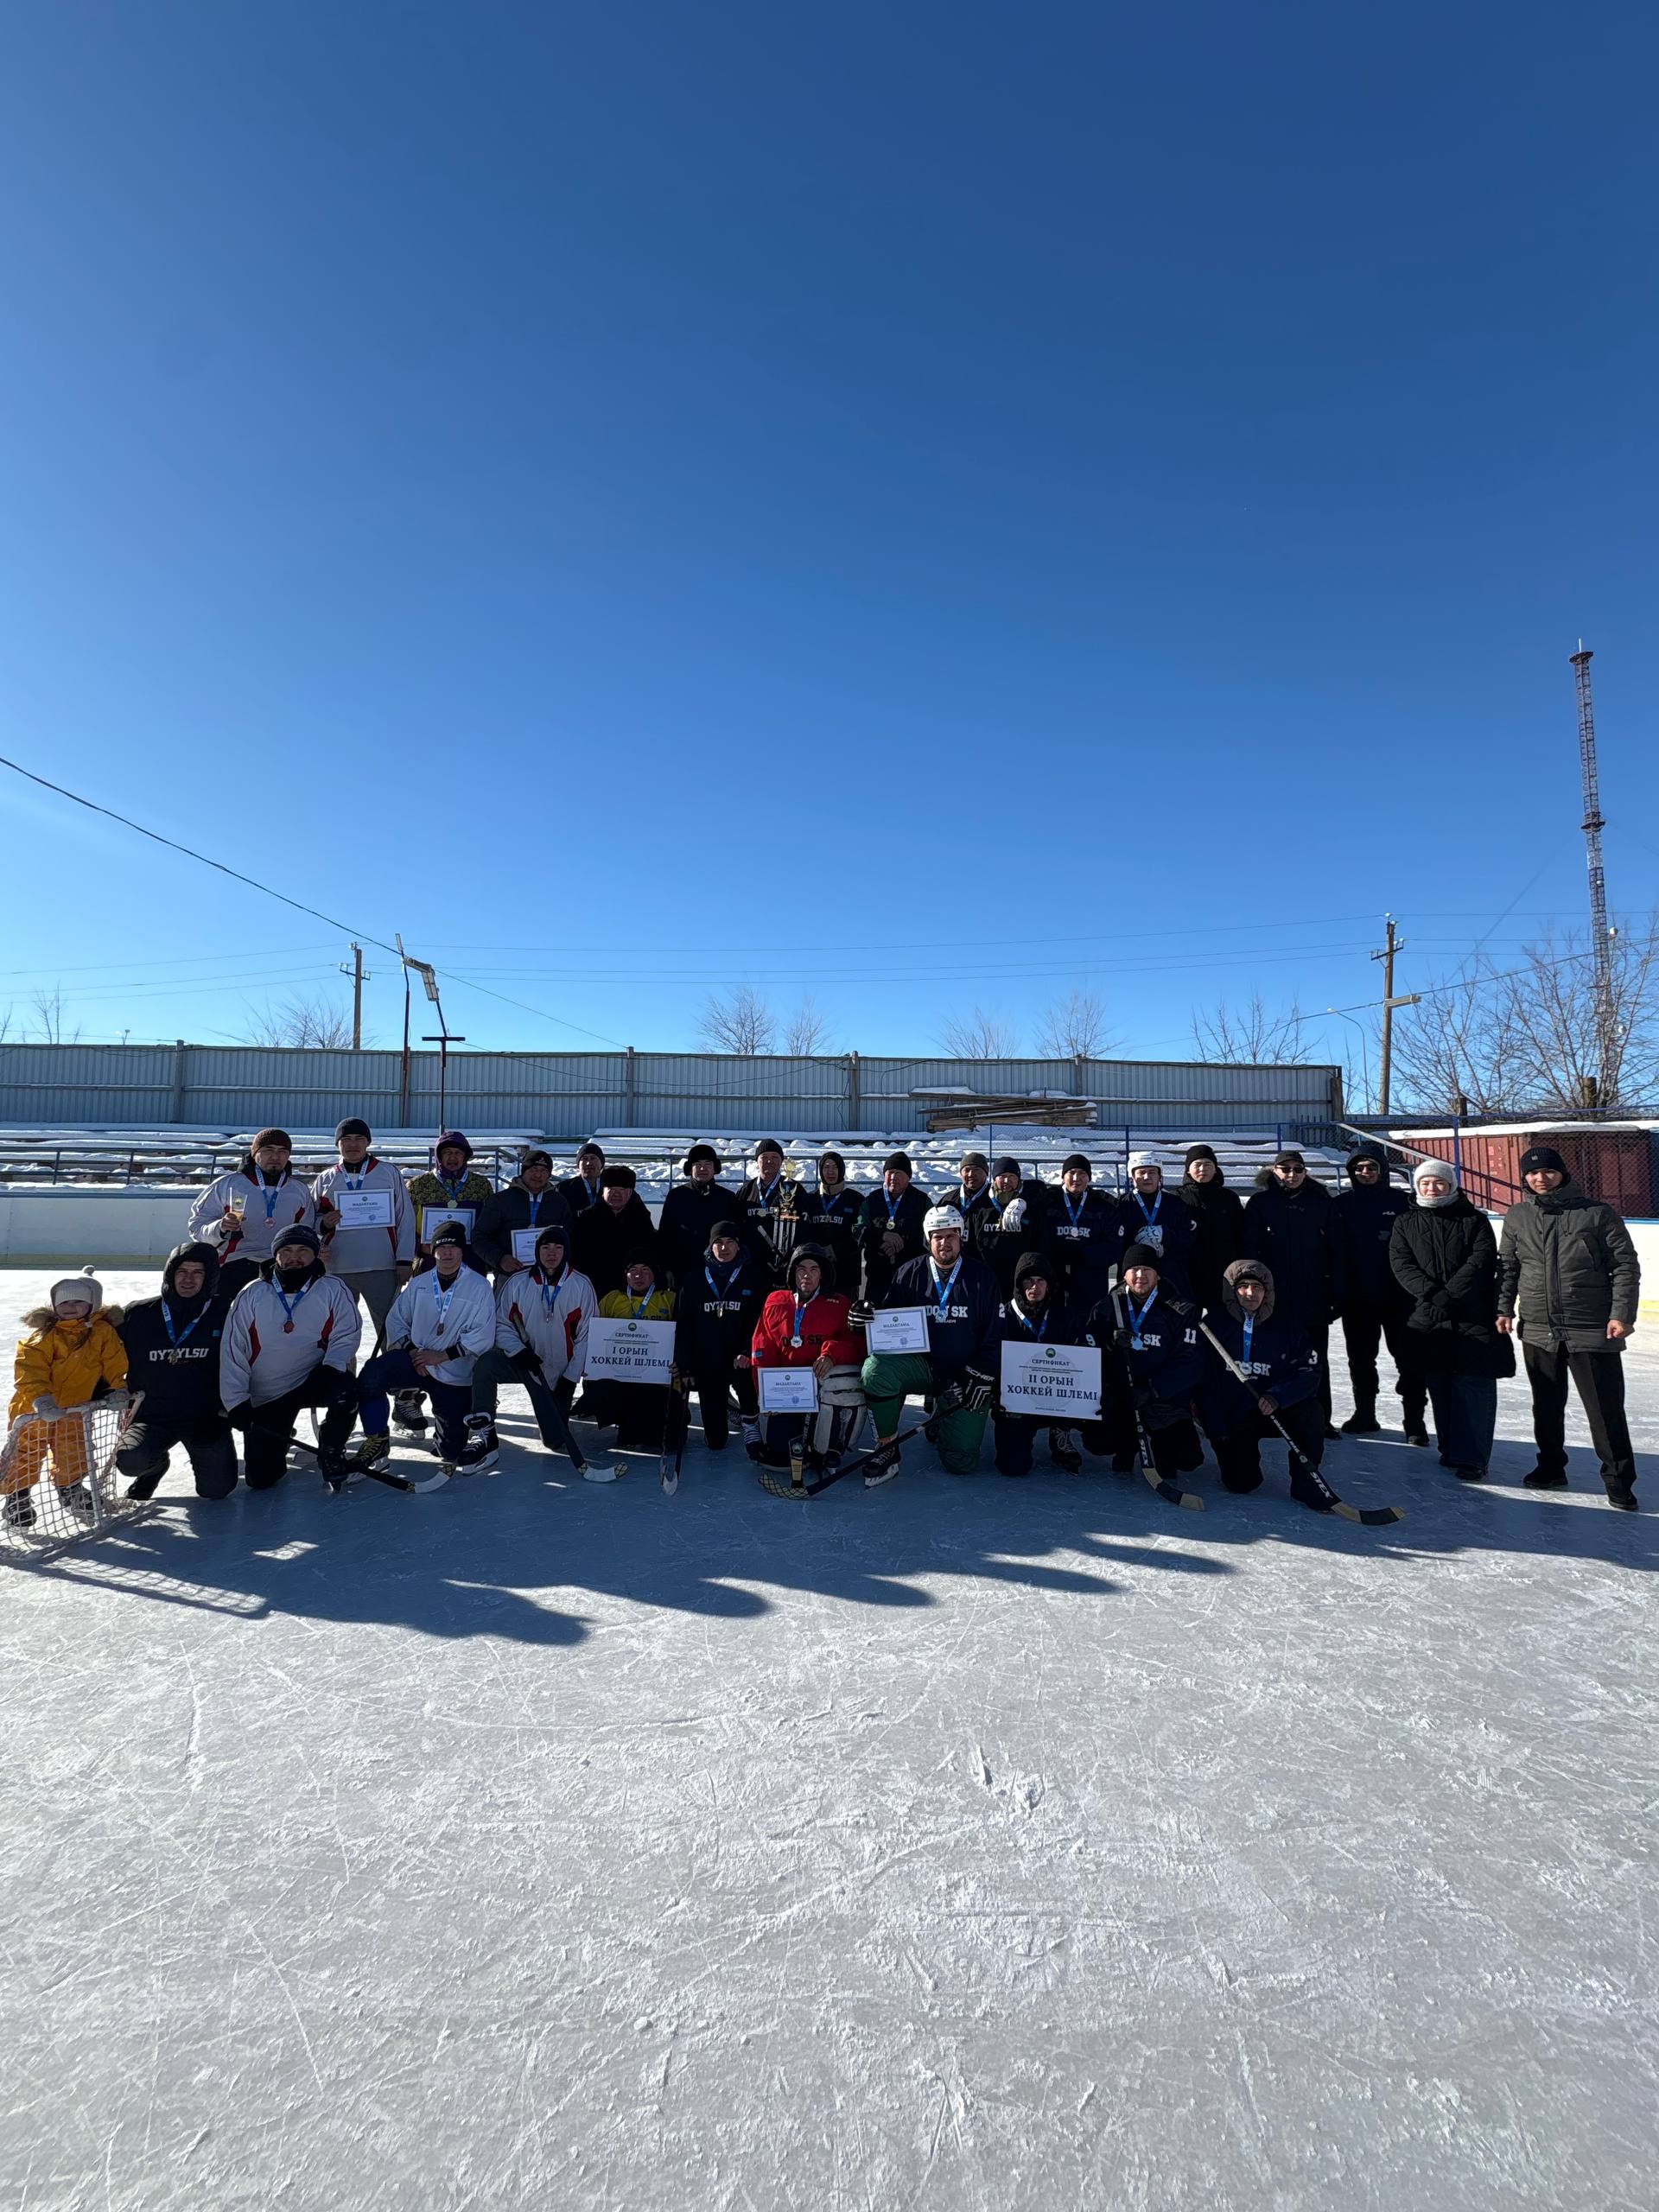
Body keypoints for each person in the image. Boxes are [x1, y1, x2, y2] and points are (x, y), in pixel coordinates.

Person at [1497, 1143, 1641, 1509]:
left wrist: (1621, 1314)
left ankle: (1618, 1480)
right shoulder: (1517, 1215)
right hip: (1538, 1326)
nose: (1540, 1178)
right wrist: (1504, 1309)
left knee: (1604, 1409)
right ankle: (1550, 1467)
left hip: (1590, 1326)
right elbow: (1509, 1269)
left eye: (1547, 1171)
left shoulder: (1596, 1213)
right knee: (1545, 1405)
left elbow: (1625, 1266)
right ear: (1524, 1178)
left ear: (1562, 1173)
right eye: (1532, 1173)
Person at [1389, 1160, 1514, 1483]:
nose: (1433, 1188)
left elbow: (1481, 1260)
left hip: (1473, 1314)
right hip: (1429, 1317)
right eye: (1426, 1183)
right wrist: (1431, 1294)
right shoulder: (1405, 1221)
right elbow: (1401, 1263)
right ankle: (1450, 1449)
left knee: (1473, 1387)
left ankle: (1473, 1457)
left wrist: (1449, 1295)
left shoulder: (1475, 1220)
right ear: (1417, 1187)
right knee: (1440, 1385)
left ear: (1451, 1185)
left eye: (1439, 1183)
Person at [860, 1204, 999, 1481]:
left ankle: (945, 1414)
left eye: (951, 1236)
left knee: (960, 1463)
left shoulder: (982, 1277)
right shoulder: (909, 1272)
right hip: (922, 1367)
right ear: (928, 1239)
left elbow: (994, 1336)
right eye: (938, 1236)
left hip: (962, 1376)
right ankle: (887, 1445)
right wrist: (864, 1316)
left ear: (961, 1237)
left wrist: (977, 1375)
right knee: (876, 1369)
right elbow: (888, 1324)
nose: (944, 1243)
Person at [219, 1224, 361, 1488]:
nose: (295, 1256)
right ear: (276, 1255)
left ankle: (331, 1452)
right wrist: (236, 1402)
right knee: (261, 1480)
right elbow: (233, 1351)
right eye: (287, 1250)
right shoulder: (252, 1293)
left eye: (303, 1250)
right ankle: (280, 1437)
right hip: (268, 1394)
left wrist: (331, 1368)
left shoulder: (333, 1288)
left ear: (315, 1254)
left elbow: (347, 1333)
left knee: (347, 1390)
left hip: (313, 1381)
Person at [354, 1221, 499, 1474]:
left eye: (453, 1247)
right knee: (371, 1374)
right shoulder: (420, 1284)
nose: (447, 1253)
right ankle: (377, 1439)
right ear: (433, 1252)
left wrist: (440, 1356)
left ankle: (462, 1434)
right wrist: (413, 1353)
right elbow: (396, 1321)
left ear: (461, 1250)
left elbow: (483, 1336)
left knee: (450, 1451)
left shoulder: (479, 1286)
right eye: (441, 1248)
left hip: (455, 1372)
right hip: (417, 1362)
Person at [470, 1221, 607, 1474]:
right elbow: (501, 1324)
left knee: (555, 1441)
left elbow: (588, 1336)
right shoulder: (518, 1282)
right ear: (537, 1251)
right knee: (486, 1364)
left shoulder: (581, 1285)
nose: (551, 1253)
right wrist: (518, 1351)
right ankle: (483, 1428)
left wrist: (570, 1378)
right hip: (526, 1364)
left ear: (566, 1251)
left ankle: (556, 1408)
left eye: (557, 1247)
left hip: (559, 1372)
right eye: (545, 1247)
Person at [4, 1268, 130, 1529]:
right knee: (26, 1452)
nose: (70, 1307)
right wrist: (41, 1399)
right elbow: (29, 1367)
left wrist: (119, 1387)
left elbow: (114, 1360)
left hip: (73, 1408)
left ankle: (70, 1490)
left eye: (78, 1301)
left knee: (73, 1450)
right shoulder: (46, 1335)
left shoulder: (102, 1333)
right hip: (35, 1407)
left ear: (92, 1304)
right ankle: (18, 1498)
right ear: (54, 1306)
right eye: (64, 1302)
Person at [1195, 1258, 1327, 1504]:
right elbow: (1204, 1384)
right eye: (1243, 1286)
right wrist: (1217, 1431)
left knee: (1312, 1411)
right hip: (1235, 1414)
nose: (1250, 1293)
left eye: (1257, 1287)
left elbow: (1309, 1371)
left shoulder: (1287, 1326)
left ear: (1268, 1291)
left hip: (1273, 1408)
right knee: (1242, 1483)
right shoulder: (1213, 1326)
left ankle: (1306, 1483)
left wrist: (1279, 1395)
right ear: (1232, 1290)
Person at [115, 1242, 238, 1500]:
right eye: (182, 1271)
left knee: (217, 1491)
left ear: (210, 1277)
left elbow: (248, 1358)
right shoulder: (137, 1314)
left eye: (198, 1272)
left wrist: (238, 1403)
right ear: (170, 1273)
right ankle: (154, 1467)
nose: (189, 1279)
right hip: (152, 1416)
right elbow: (103, 1355)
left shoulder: (226, 1313)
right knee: (131, 1460)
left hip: (205, 1417)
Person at [1080, 1243, 1205, 1480]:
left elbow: (1190, 1363)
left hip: (1163, 1400)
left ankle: (1163, 1453)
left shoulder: (1179, 1309)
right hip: (1122, 1398)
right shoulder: (1108, 1307)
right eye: (1134, 1269)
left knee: (1187, 1457)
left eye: (1147, 1269)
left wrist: (1154, 1389)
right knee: (1098, 1440)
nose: (1140, 1276)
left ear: (1157, 1273)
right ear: (1124, 1273)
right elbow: (1088, 1348)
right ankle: (1126, 1446)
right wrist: (1109, 1342)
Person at [1242, 1147, 1344, 1436]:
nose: (1291, 1175)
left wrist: (1336, 1292)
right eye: (1285, 1169)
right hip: (1272, 1297)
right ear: (1274, 1172)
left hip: (1312, 1296)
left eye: (1297, 1169)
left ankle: (1319, 1418)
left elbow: (1337, 1251)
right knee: (1272, 1355)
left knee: (1314, 1357)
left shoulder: (1322, 1203)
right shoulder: (1260, 1203)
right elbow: (1250, 1250)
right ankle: (1270, 1414)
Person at [750, 1243, 866, 1478]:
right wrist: (766, 1393)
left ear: (822, 1274)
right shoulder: (775, 1301)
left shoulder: (839, 1304)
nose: (807, 1275)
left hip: (822, 1388)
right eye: (801, 1269)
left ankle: (831, 1445)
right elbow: (762, 1348)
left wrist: (831, 1354)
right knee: (781, 1456)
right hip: (788, 1391)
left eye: (814, 1269)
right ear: (792, 1273)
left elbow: (856, 1344)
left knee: (841, 1383)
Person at [1332, 1142, 1423, 1441]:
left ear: (1383, 1170)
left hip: (1400, 1299)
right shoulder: (1342, 1205)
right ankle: (1365, 1414)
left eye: (1371, 1167)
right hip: (1358, 1299)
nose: (1365, 1172)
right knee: (1360, 1360)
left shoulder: (1403, 1202)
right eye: (1359, 1168)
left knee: (1408, 1360)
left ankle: (1414, 1421)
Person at [313, 1118, 415, 1345]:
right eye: (346, 1139)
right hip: (338, 1267)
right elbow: (311, 1222)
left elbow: (405, 1218)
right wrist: (323, 1225)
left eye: (359, 1139)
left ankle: (393, 1378)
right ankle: (343, 1376)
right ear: (337, 1144)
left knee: (390, 1329)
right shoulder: (326, 1178)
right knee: (340, 1330)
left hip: (382, 1265)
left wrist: (404, 1259)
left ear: (368, 1142)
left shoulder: (388, 1173)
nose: (353, 1144)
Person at [188, 1128, 315, 1298]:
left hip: (284, 1267)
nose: (276, 1157)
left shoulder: (299, 1190)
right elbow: (196, 1228)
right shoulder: (227, 1185)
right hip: (234, 1264)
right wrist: (220, 1227)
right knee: (221, 1320)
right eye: (268, 1150)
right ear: (254, 1153)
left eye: (282, 1151)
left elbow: (307, 1233)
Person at [674, 1221, 766, 1453]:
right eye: (718, 1243)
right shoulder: (694, 1279)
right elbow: (683, 1325)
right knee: (716, 1442)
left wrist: (747, 1350)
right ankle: (724, 1406)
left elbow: (760, 1321)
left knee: (746, 1381)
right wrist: (685, 1364)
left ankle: (750, 1420)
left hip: (740, 1355)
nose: (724, 1248)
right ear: (710, 1247)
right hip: (707, 1357)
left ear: (738, 1246)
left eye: (730, 1243)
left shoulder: (752, 1277)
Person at [991, 1252, 1083, 1478]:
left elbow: (1081, 1363)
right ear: (1018, 1284)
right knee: (1013, 1466)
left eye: (1041, 1280)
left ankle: (1060, 1429)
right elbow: (990, 1358)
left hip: (1055, 1399)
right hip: (1017, 1402)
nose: (1035, 1286)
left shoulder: (1064, 1316)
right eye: (1029, 1280)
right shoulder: (1003, 1316)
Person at [592, 1253, 678, 1451]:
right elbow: (596, 1337)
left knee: (668, 1440)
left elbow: (684, 1336)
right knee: (629, 1438)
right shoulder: (612, 1299)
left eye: (645, 1270)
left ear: (654, 1275)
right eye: (633, 1271)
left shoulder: (669, 1299)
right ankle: (624, 1421)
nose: (639, 1276)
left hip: (659, 1380)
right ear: (626, 1275)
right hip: (622, 1378)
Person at [474, 1150, 575, 1280]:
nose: (538, 1175)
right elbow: (480, 1235)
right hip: (510, 1275)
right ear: (523, 1171)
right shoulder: (501, 1200)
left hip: (549, 1276)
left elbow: (568, 1237)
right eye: (533, 1169)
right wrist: (500, 1259)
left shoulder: (559, 1202)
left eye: (544, 1171)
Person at [1047, 1153, 1127, 1317]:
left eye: (1082, 1173)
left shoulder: (1104, 1205)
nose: (1076, 1178)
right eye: (1071, 1173)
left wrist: (1084, 1256)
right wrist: (1057, 1256)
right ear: (1063, 1176)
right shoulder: (1048, 1200)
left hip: (1091, 1280)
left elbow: (1114, 1245)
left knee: (1088, 1327)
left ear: (1089, 1177)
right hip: (1053, 1277)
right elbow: (1038, 1237)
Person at [658, 1145, 741, 1291]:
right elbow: (665, 1235)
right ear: (690, 1169)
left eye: (707, 1164)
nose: (703, 1169)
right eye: (698, 1165)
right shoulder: (676, 1196)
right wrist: (666, 1268)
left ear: (715, 1169)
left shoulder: (728, 1198)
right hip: (682, 1270)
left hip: (719, 1271)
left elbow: (737, 1237)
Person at [856, 1151, 933, 1306]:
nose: (893, 1177)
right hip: (877, 1276)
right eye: (890, 1173)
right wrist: (882, 1236)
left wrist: (901, 1242)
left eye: (899, 1173)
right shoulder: (871, 1200)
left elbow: (931, 1234)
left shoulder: (922, 1201)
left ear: (909, 1177)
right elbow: (857, 1230)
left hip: (912, 1276)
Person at [570, 1166, 658, 1300]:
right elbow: (577, 1253)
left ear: (630, 1193)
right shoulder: (587, 1217)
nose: (617, 1194)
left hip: (630, 1289)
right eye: (611, 1189)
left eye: (622, 1190)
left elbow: (650, 1250)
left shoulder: (641, 1218)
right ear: (603, 1191)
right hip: (593, 1286)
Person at [1177, 1144, 1245, 1315]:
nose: (1202, 1169)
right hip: (1188, 1274)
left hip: (1224, 1275)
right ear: (1188, 1170)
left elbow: (1241, 1234)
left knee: (1222, 1326)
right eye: (1197, 1165)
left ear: (1215, 1169)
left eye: (1208, 1165)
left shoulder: (1229, 1198)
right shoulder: (1176, 1198)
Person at [1119, 1152, 1198, 1298]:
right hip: (1137, 1279)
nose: (1147, 1177)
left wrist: (1166, 1235)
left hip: (1172, 1276)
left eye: (1152, 1172)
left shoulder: (1176, 1204)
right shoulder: (1121, 1205)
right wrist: (1139, 1246)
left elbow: (1189, 1238)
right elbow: (1116, 1241)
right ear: (1132, 1176)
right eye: (1141, 1172)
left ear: (1159, 1176)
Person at [976, 1155, 1056, 1300]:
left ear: (1019, 1178)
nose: (1007, 1181)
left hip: (1021, 1278)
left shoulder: (1031, 1204)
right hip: (988, 1277)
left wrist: (1023, 1200)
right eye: (1002, 1176)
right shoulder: (982, 1205)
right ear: (994, 1179)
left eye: (1012, 1176)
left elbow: (1040, 1187)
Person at [405, 1131, 493, 1256]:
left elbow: (491, 1224)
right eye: (448, 1152)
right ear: (439, 1156)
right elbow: (405, 1225)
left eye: (458, 1153)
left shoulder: (481, 1185)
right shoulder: (418, 1184)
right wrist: (419, 1247)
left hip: (471, 1258)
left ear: (465, 1156)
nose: (453, 1157)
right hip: (430, 1258)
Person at [735, 1139, 808, 1282]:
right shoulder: (746, 1191)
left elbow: (804, 1227)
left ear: (781, 1161)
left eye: (775, 1157)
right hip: (751, 1266)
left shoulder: (793, 1189)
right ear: (757, 1161)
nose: (769, 1161)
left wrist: (794, 1256)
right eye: (764, 1157)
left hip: (784, 1265)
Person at [798, 1150, 861, 1296]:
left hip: (846, 1275)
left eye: (835, 1167)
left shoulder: (856, 1199)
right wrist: (816, 1252)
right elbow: (803, 1232)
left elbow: (859, 1234)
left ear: (842, 1170)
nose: (830, 1172)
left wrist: (835, 1250)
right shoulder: (810, 1199)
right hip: (816, 1273)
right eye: (826, 1167)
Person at [558, 1141, 607, 1218]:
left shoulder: (612, 1187)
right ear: (578, 1165)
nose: (588, 1163)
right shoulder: (564, 1188)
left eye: (593, 1158)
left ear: (601, 1163)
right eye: (584, 1159)